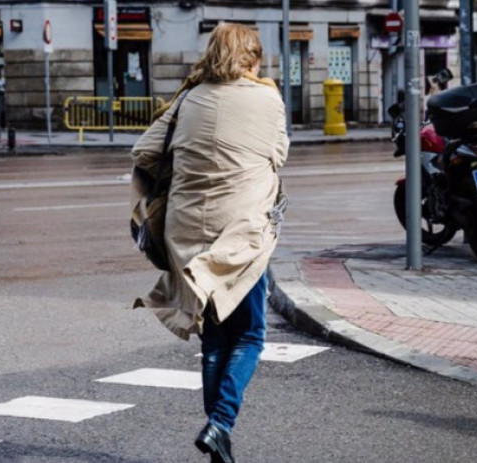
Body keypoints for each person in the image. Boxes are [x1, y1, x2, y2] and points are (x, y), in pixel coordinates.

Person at [129, 23, 289, 463]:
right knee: (250, 336)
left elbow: (143, 152)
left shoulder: (187, 98)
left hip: (186, 233)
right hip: (239, 234)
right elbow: (279, 155)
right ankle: (220, 423)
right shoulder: (267, 98)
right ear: (251, 58)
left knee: (216, 339)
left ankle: (219, 443)